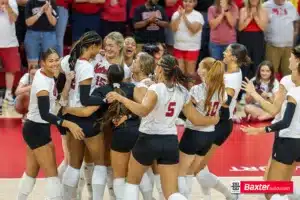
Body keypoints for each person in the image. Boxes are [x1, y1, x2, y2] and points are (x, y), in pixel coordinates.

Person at [105, 55, 219, 200]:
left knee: (132, 182)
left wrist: (120, 98)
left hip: (148, 139)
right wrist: (213, 119)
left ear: (160, 69)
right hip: (170, 141)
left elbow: (142, 111)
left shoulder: (155, 88)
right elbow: (195, 119)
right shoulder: (182, 92)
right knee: (171, 193)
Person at [16, 48, 84, 200]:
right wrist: (68, 124)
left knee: (31, 172)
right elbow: (45, 114)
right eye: (50, 61)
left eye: (56, 60)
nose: (54, 64)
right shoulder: (41, 84)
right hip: (36, 129)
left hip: (35, 128)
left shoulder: (49, 75)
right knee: (52, 175)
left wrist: (67, 81)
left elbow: (56, 102)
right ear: (43, 63)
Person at [188, 43, 251, 200]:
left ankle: (230, 194)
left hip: (220, 124)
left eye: (227, 51)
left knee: (196, 167)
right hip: (214, 122)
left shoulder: (231, 78)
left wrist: (203, 111)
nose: (224, 52)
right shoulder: (232, 71)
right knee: (199, 164)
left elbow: (225, 105)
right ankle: (208, 194)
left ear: (234, 57)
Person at [241, 45, 300, 184]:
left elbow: (274, 111)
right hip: (287, 133)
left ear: (297, 61)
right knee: (280, 183)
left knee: (271, 187)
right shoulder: (286, 81)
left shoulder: (291, 89)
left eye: (291, 56)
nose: (288, 59)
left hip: (286, 135)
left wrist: (254, 94)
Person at [178, 58, 226, 199]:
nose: (197, 69)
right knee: (190, 172)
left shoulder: (197, 89)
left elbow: (187, 110)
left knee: (180, 172)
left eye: (200, 66)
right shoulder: (221, 88)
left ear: (205, 71)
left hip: (194, 133)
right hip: (209, 135)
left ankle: (184, 197)